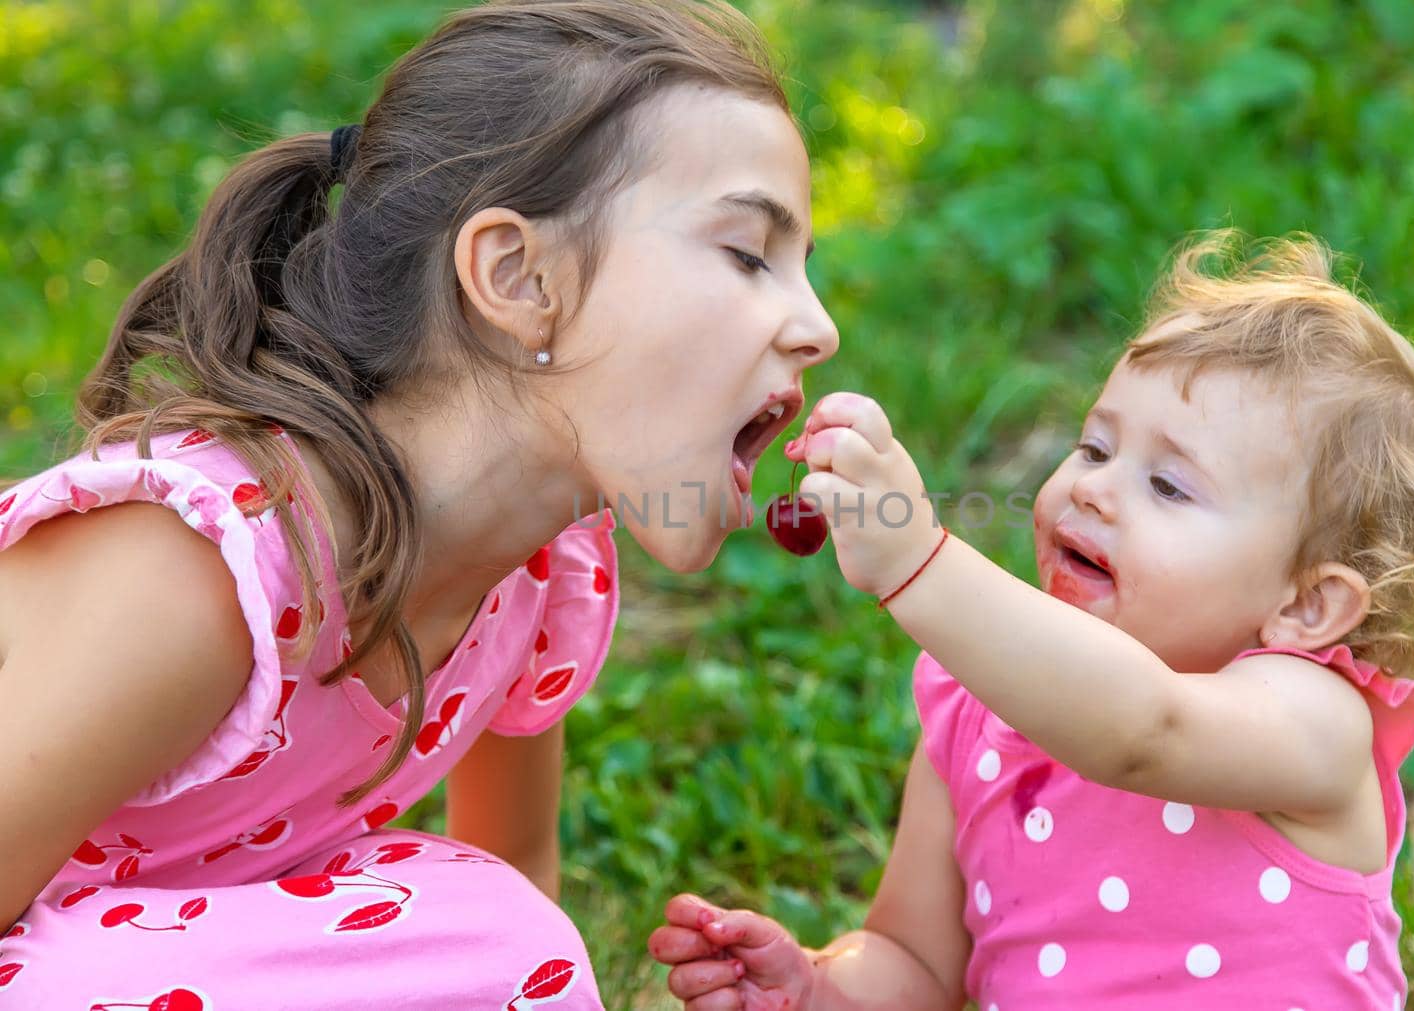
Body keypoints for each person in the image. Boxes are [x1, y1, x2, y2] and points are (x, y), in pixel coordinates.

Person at [0, 1, 837, 1006]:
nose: (817, 330)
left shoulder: (533, 582)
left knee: (498, 935)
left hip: (140, 957)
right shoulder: (204, 566)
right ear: (519, 276)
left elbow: (500, 938)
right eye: (748, 254)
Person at [651, 232, 1414, 1010]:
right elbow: (914, 961)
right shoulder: (976, 711)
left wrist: (919, 561)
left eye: (1169, 485)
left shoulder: (1313, 724)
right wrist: (816, 984)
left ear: (1305, 606)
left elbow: (1143, 726)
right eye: (1095, 447)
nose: (1094, 487)